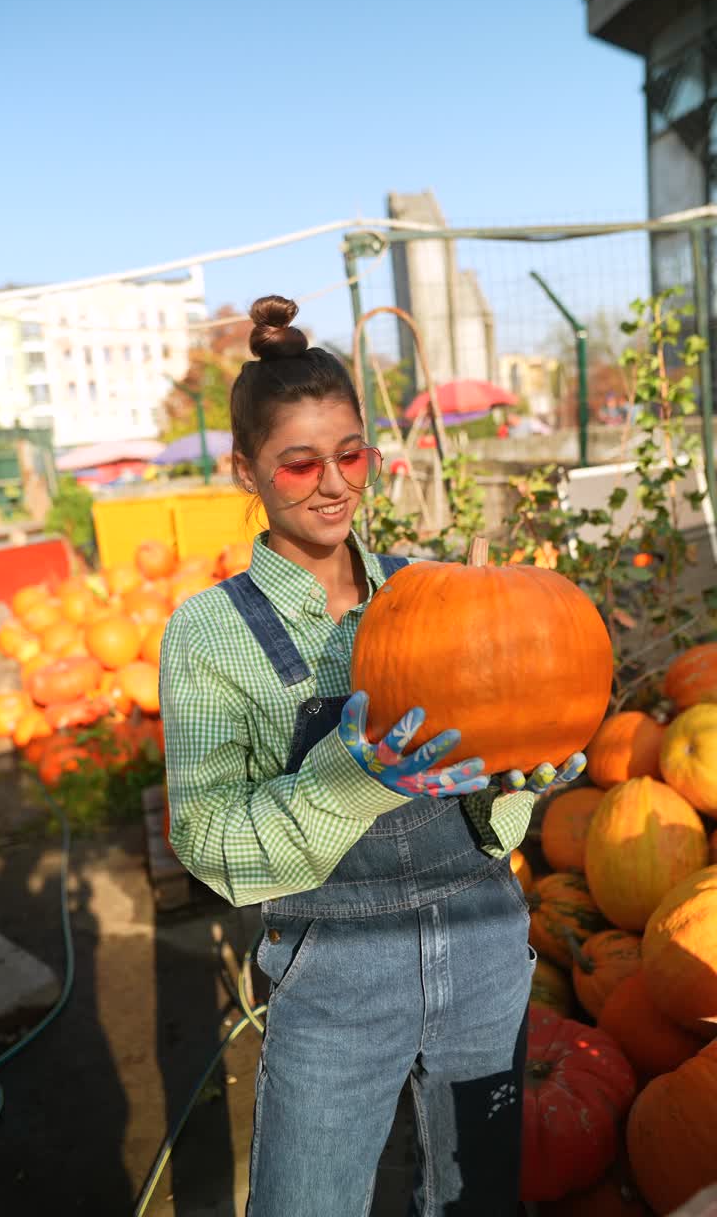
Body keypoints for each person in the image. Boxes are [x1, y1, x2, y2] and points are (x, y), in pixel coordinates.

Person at [159, 295, 586, 1217]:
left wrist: (523, 784)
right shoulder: (208, 634)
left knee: (475, 1199)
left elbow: (485, 810)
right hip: (337, 970)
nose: (331, 483)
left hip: (483, 943)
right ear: (247, 470)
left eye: (350, 454)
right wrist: (349, 784)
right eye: (298, 461)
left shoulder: (431, 592)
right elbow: (207, 840)